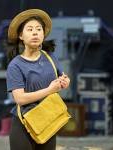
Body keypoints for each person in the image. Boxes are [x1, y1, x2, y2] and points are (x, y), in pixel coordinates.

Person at [6, 9, 70, 150]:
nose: (35, 33)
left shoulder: (50, 57)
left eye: (38, 29)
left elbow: (63, 77)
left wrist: (65, 81)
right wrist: (49, 90)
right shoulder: (15, 65)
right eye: (30, 29)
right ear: (21, 35)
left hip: (47, 121)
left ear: (43, 34)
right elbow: (20, 99)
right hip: (24, 124)